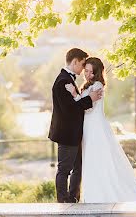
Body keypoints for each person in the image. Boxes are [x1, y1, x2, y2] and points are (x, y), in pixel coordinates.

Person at [65, 56, 136, 203]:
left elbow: (88, 109)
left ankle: (101, 195)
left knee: (98, 159)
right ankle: (93, 195)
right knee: (90, 160)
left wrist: (74, 94)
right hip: (88, 126)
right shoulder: (88, 85)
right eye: (86, 71)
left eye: (91, 72)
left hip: (95, 127)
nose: (87, 74)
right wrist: (79, 96)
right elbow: (85, 104)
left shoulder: (97, 85)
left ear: (97, 73)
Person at [48, 48, 103, 203]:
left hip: (75, 133)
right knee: (64, 169)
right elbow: (69, 110)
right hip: (67, 134)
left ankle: (73, 198)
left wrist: (80, 96)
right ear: (75, 62)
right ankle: (63, 200)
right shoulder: (63, 81)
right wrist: (90, 99)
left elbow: (74, 104)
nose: (83, 68)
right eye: (82, 64)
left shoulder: (68, 79)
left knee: (78, 167)